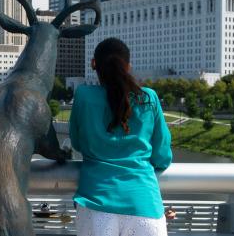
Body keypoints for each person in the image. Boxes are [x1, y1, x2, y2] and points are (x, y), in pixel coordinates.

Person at [69, 37, 172, 236]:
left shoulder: (83, 96)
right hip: (144, 205)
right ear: (128, 66)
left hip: (96, 203)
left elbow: (77, 142)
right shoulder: (148, 98)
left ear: (93, 64)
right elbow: (162, 156)